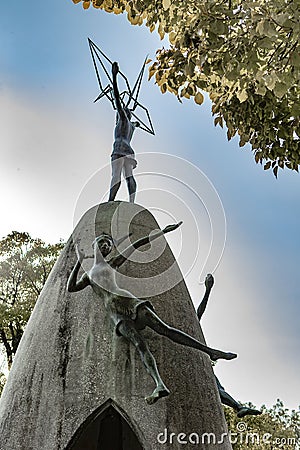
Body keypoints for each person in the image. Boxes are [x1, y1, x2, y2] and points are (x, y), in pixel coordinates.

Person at [67, 223, 237, 405]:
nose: (106, 246)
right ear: (95, 245)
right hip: (116, 315)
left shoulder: (112, 263)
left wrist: (161, 232)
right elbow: (71, 287)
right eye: (103, 242)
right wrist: (79, 262)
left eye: (108, 244)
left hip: (129, 301)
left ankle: (211, 352)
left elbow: (135, 246)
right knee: (141, 346)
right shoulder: (88, 276)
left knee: (165, 329)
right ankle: (159, 385)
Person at [197, 274, 262, 418]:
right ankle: (238, 407)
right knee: (216, 388)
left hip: (200, 362)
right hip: (190, 362)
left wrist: (208, 290)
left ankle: (239, 407)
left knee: (218, 389)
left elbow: (199, 312)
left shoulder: (190, 327)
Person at [109, 61, 139, 203]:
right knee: (129, 176)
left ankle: (110, 201)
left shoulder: (123, 117)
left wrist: (114, 77)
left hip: (120, 147)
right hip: (129, 150)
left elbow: (117, 99)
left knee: (116, 176)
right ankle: (132, 202)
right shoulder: (131, 125)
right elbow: (135, 124)